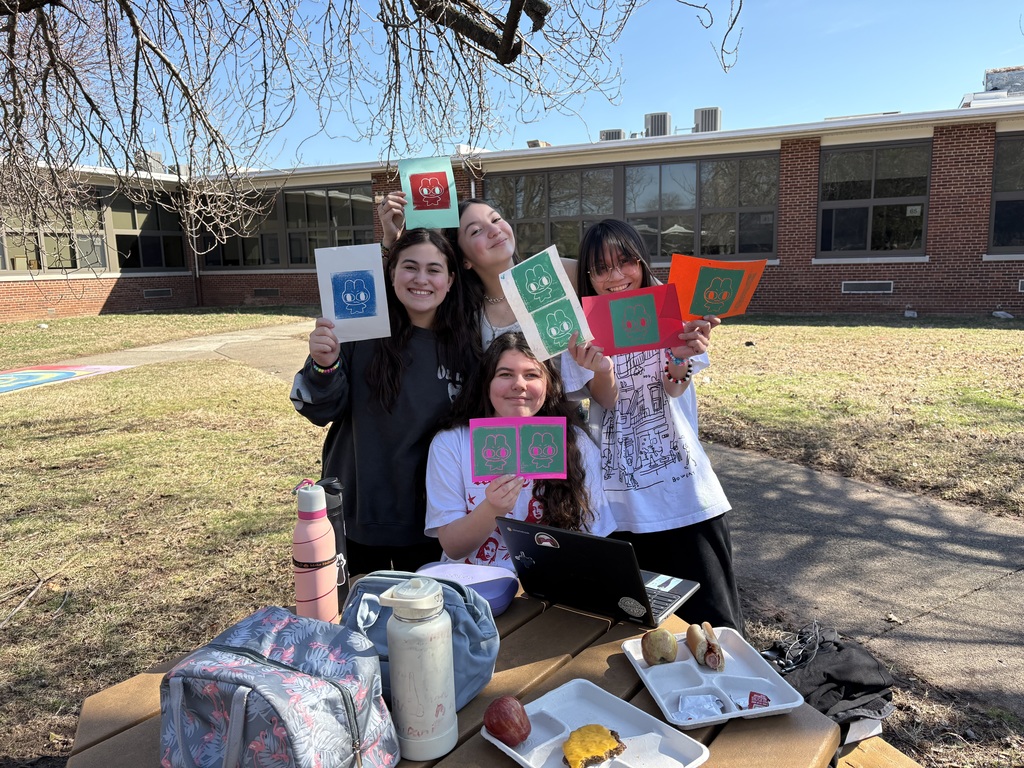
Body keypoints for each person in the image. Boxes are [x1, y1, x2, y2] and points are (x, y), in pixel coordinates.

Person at [576, 218, 744, 632]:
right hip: (621, 505)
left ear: (641, 261)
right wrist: (601, 369)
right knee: (642, 632)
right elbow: (605, 400)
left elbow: (673, 387)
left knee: (717, 630)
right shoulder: (583, 326)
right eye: (601, 268)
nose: (616, 277)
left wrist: (682, 357)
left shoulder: (674, 310)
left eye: (625, 262)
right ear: (590, 276)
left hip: (685, 494)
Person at [290, 228, 478, 575]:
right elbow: (320, 410)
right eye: (410, 267)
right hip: (358, 516)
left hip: (433, 520)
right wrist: (324, 364)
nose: (421, 279)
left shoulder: (467, 347)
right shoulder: (358, 331)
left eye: (434, 269)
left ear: (450, 280)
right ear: (390, 274)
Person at [377, 192, 617, 410]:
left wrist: (604, 369)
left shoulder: (554, 274)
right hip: (497, 444)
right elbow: (396, 299)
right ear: (464, 261)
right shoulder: (464, 315)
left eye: (495, 219)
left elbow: (637, 284)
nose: (494, 231)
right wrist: (390, 241)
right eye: (476, 231)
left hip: (559, 438)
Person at [424, 331, 615, 568]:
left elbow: (593, 540)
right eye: (505, 374)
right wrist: (492, 508)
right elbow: (453, 547)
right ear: (486, 383)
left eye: (532, 375)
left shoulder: (575, 443)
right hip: (475, 587)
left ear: (548, 385)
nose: (519, 385)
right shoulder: (450, 443)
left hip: (549, 585)